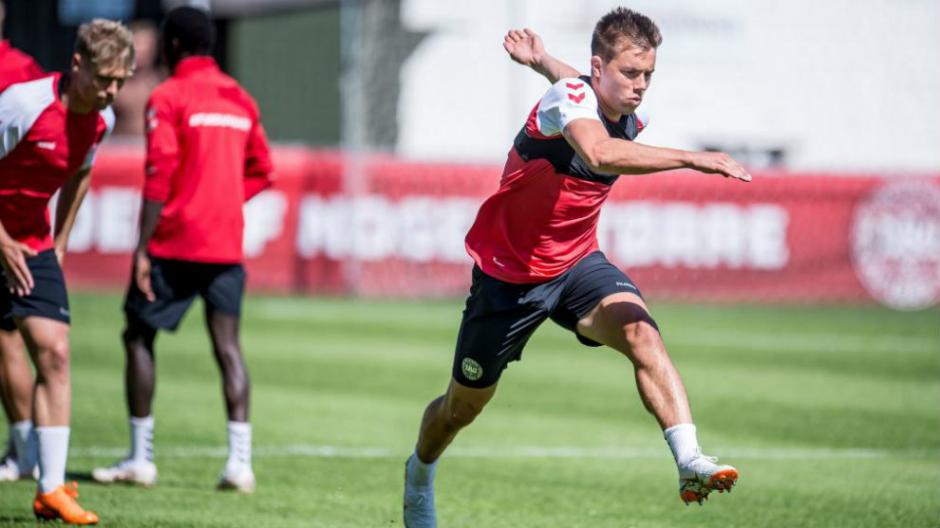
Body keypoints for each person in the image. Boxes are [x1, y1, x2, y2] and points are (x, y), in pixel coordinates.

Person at [403, 8, 750, 526]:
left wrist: (542, 57)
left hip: (577, 265)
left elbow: (589, 93)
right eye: (631, 73)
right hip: (510, 277)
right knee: (461, 408)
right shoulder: (568, 101)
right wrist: (692, 157)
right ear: (598, 66)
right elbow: (599, 150)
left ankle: (690, 461)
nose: (641, 86)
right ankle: (419, 474)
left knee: (643, 335)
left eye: (649, 74)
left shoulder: (626, 111)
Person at [91, 6, 273, 493]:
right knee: (228, 349)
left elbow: (160, 173)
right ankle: (240, 465)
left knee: (137, 337)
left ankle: (140, 459)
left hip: (173, 243)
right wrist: (222, 200)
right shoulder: (240, 97)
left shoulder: (167, 95)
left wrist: (143, 248)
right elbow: (263, 169)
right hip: (225, 246)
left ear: (172, 46)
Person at [0, 18, 135, 524]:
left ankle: (50, 489)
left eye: (120, 81)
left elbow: (80, 173)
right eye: (104, 79)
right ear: (76, 65)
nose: (113, 91)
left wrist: (59, 243)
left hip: (31, 246)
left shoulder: (101, 121)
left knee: (54, 354)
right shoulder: (21, 104)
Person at [0, 0, 46, 483]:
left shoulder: (21, 74)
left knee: (8, 337)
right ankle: (24, 450)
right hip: (18, 223)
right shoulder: (26, 70)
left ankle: (25, 450)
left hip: (9, 229)